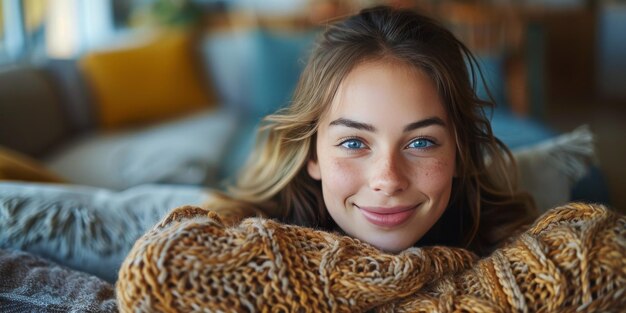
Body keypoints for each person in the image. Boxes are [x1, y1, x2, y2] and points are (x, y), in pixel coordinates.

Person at [117, 6, 625, 312]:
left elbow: (607, 256)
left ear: (460, 153)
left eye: (422, 142)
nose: (387, 179)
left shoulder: (510, 240)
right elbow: (159, 274)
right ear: (312, 153)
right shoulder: (248, 236)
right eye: (355, 142)